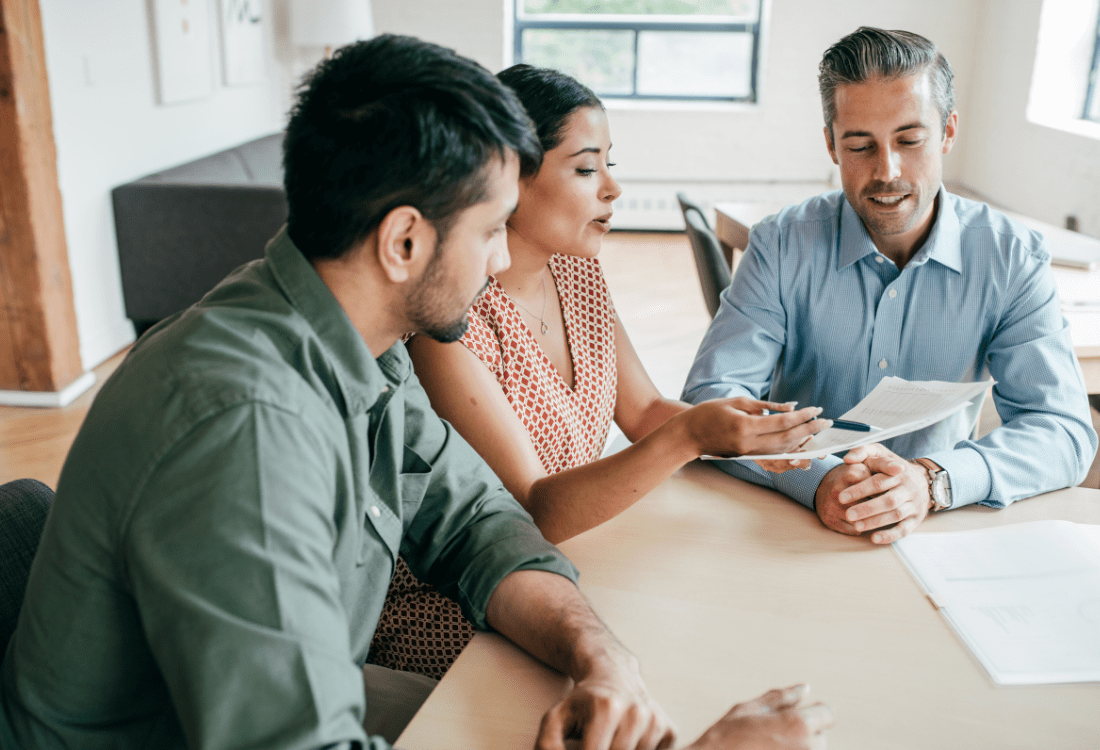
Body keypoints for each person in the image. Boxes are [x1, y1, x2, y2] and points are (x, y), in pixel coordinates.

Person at [0, 35, 834, 750]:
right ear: (404, 240)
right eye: (487, 233)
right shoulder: (243, 427)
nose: (501, 264)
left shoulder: (362, 336)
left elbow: (478, 523)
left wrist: (599, 657)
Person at [365, 64, 830, 679]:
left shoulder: (576, 271)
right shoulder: (448, 319)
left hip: (581, 552)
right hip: (463, 594)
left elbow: (641, 411)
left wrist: (751, 431)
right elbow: (535, 512)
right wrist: (691, 437)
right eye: (586, 168)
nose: (612, 188)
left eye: (611, 163)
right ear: (508, 180)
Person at [682, 27, 1098, 545]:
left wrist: (932, 479)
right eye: (860, 145)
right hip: (787, 523)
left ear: (947, 132)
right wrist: (819, 479)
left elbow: (1062, 431)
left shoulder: (1011, 257)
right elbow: (710, 399)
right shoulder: (783, 243)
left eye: (910, 140)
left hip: (939, 527)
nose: (887, 171)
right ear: (832, 144)